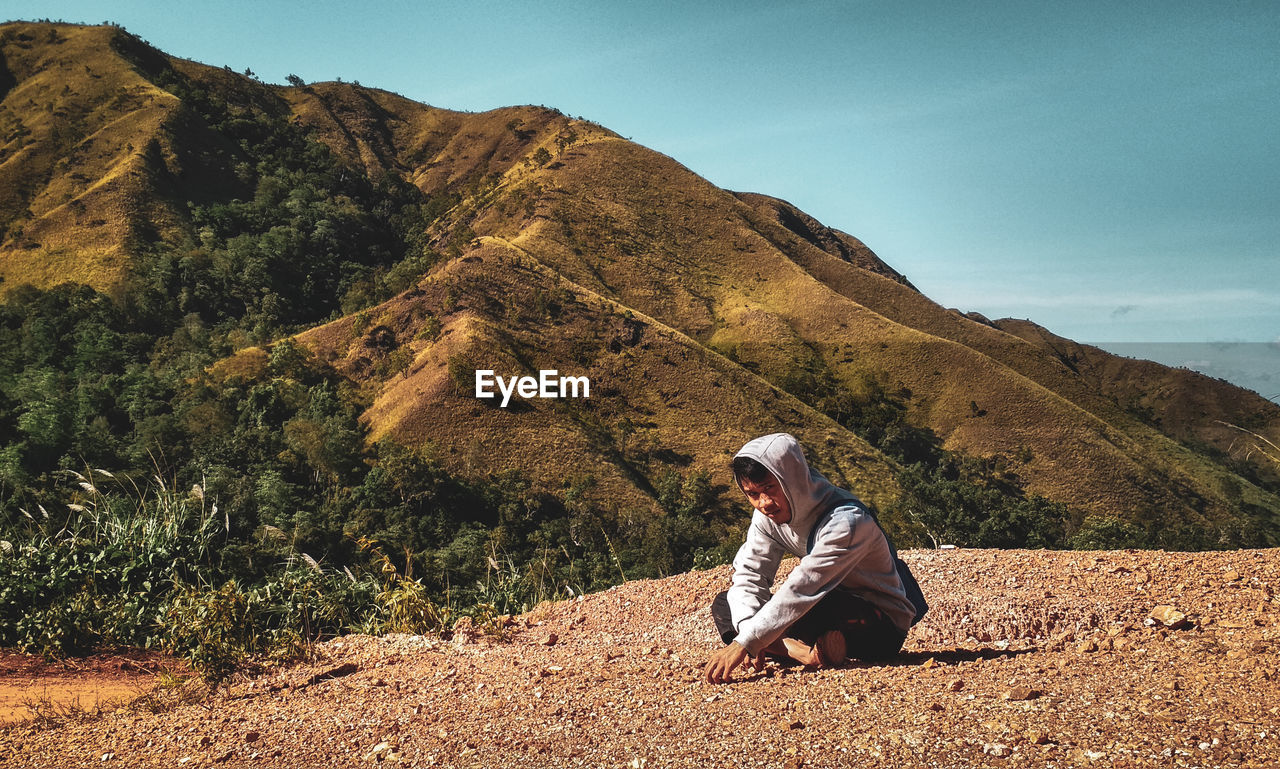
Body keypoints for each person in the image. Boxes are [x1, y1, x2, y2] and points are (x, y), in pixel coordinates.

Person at [704, 432, 917, 684]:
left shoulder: (847, 521)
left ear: (792, 479)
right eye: (752, 494)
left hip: (877, 621)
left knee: (805, 603)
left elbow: (805, 586)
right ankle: (804, 653)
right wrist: (748, 633)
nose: (764, 503)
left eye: (770, 488)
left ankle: (783, 646)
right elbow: (750, 574)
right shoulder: (767, 517)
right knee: (727, 602)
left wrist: (746, 640)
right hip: (819, 606)